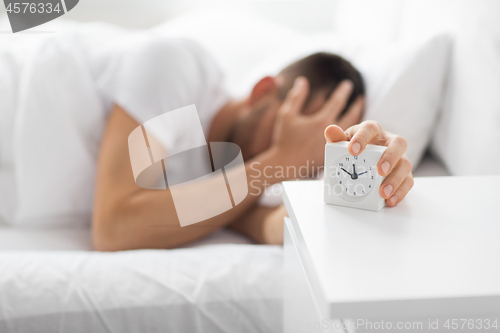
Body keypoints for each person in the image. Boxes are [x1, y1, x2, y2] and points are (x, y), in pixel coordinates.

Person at [93, 37, 413, 251]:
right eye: (284, 132)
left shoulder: (241, 191)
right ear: (262, 91)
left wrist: (369, 188)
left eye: (308, 158)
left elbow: (274, 226)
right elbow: (114, 228)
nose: (295, 166)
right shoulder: (179, 66)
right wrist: (282, 159)